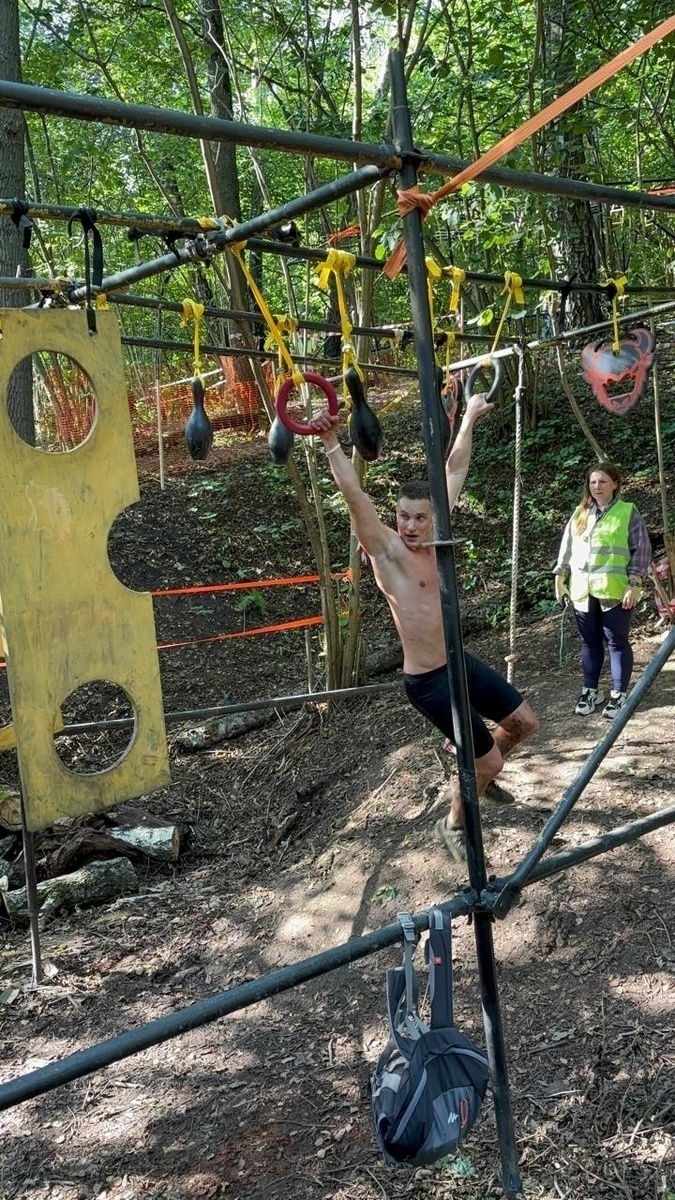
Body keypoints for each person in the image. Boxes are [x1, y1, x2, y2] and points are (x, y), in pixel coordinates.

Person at [309, 393, 540, 863]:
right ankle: (453, 821)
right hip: (429, 680)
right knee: (490, 759)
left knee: (523, 724)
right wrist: (332, 441)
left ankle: (473, 773)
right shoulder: (388, 553)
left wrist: (470, 415)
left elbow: (454, 469)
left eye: (419, 517)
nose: (411, 525)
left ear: (433, 516)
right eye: (403, 517)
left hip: (459, 661)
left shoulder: (438, 540)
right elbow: (355, 498)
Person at [554, 462, 651, 719]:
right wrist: (560, 579)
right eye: (593, 482)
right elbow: (567, 548)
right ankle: (590, 690)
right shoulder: (580, 513)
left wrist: (634, 584)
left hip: (615, 591)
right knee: (590, 641)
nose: (597, 487)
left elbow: (641, 551)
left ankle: (618, 695)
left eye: (603, 481)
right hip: (582, 591)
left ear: (615, 484)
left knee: (616, 642)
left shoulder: (627, 512)